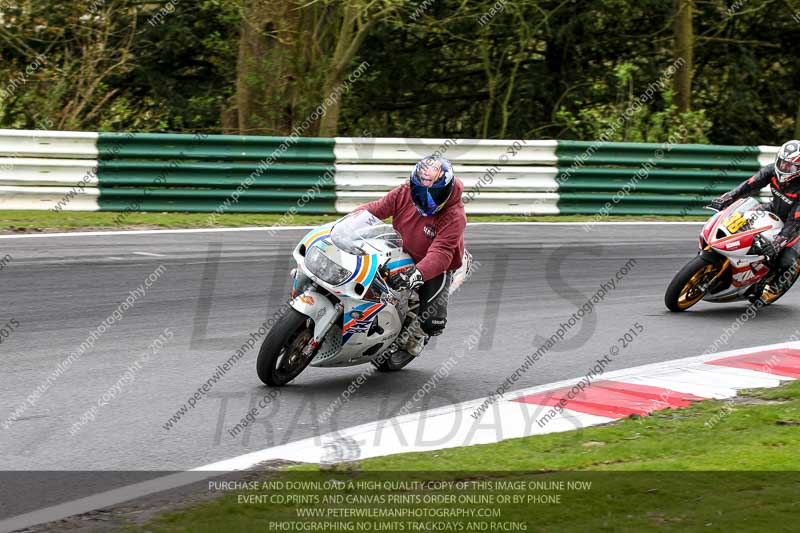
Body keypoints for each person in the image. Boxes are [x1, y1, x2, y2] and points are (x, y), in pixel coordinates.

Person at [358, 154, 467, 356]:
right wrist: (343, 223)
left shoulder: (455, 215)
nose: (426, 200)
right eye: (420, 192)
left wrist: (416, 274)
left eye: (434, 194)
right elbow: (376, 209)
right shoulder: (404, 192)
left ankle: (417, 335)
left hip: (436, 265)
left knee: (432, 321)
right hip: (400, 247)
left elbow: (441, 253)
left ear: (447, 189)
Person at [711, 140, 800, 290]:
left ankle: (773, 282)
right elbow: (749, 185)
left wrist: (777, 244)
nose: (783, 167)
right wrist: (727, 198)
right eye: (781, 162)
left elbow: (793, 222)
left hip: (796, 226)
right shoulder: (772, 171)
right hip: (774, 209)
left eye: (788, 165)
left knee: (787, 261)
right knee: (740, 221)